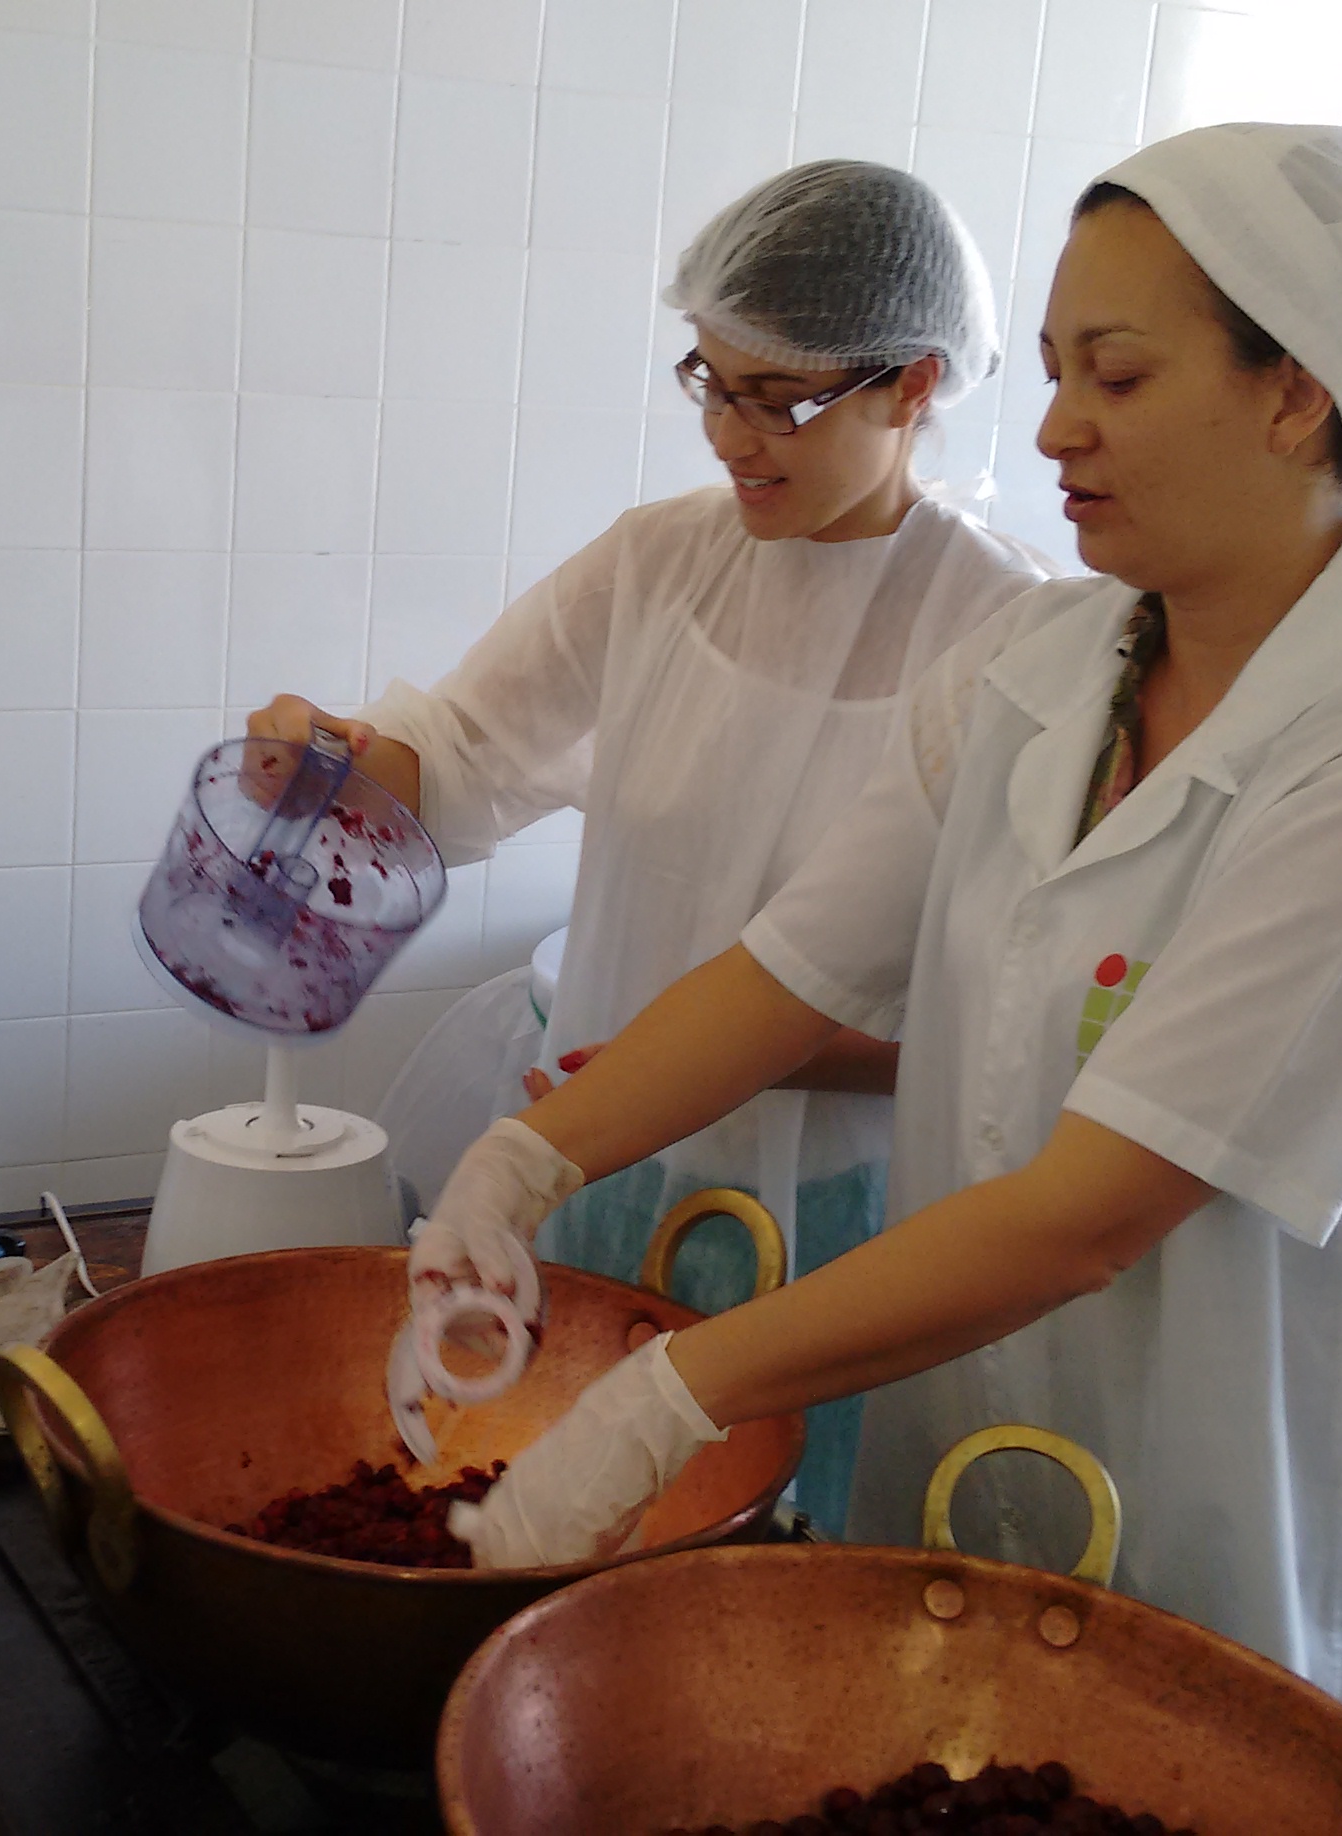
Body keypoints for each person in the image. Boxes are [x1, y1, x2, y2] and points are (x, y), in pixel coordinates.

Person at [411, 122, 1342, 1802]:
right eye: (1059, 372)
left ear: (1293, 392)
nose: (1054, 427)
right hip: (968, 1425)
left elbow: (1089, 1214)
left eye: (1118, 375)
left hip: (1240, 1488)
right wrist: (521, 1162)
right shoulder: (1047, 657)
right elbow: (790, 970)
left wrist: (662, 1402)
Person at [247, 160, 1059, 1531]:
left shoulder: (1008, 634)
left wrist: (755, 1053)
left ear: (914, 385)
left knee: (783, 1543)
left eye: (778, 398)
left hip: (858, 1206)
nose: (731, 437)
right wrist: (323, 758)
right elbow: (459, 758)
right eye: (710, 384)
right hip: (606, 1162)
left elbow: (1017, 1019)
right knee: (566, 1508)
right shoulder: (660, 566)